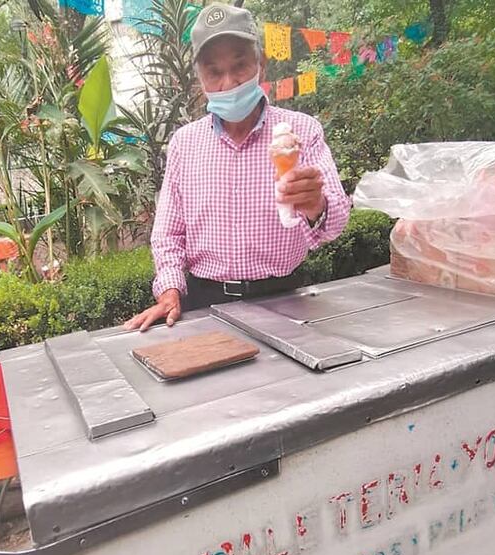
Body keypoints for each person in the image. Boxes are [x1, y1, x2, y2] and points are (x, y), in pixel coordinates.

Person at [124, 4, 350, 332]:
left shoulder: (301, 131)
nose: (228, 82)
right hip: (204, 304)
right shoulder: (185, 144)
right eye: (214, 72)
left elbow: (335, 222)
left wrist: (317, 205)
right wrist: (170, 291)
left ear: (262, 65)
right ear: (199, 78)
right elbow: (169, 234)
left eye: (240, 66)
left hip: (283, 297)